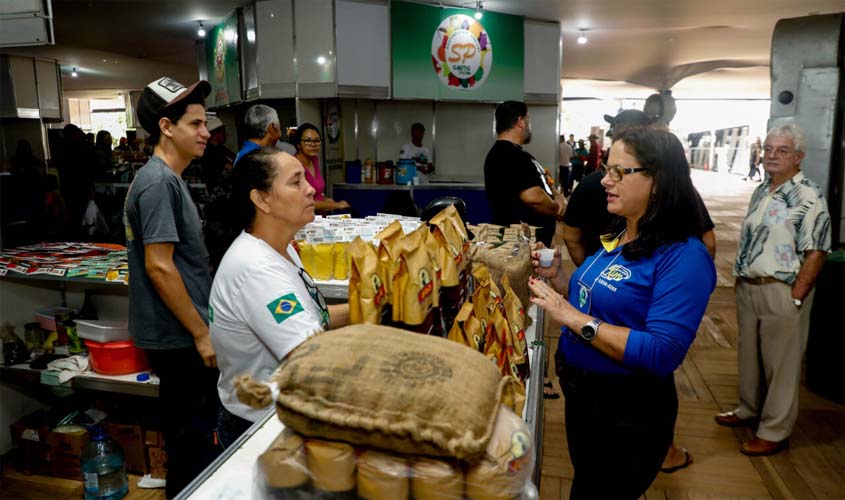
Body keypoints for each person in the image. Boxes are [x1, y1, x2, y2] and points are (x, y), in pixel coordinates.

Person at [529, 127, 716, 498]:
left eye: (619, 172)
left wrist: (571, 317)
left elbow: (662, 352)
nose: (605, 182)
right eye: (605, 169)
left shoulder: (683, 256)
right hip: (586, 396)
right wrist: (561, 279)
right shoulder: (624, 232)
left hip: (627, 411)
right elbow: (600, 302)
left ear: (658, 181)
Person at [208, 148, 351, 447]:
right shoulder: (255, 269)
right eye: (296, 182)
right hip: (260, 427)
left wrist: (374, 305)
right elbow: (310, 358)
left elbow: (315, 320)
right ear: (261, 199)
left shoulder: (280, 249)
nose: (311, 189)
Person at [124, 76, 220, 498]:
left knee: (192, 438)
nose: (205, 133)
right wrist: (201, 333)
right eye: (195, 124)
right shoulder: (159, 183)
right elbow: (159, 267)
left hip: (181, 332)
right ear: (166, 127)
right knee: (191, 443)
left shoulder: (168, 178)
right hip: (177, 337)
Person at [716, 123, 831, 456]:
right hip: (750, 287)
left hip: (783, 289)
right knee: (749, 356)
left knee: (782, 364)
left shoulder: (808, 195)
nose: (772, 155)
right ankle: (749, 409)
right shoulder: (761, 190)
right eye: (768, 149)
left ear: (799, 156)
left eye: (782, 150)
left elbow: (817, 250)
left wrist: (797, 294)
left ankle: (775, 431)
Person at [483, 100, 565, 247]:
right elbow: (534, 198)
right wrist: (556, 209)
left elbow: (545, 183)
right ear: (520, 121)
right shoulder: (506, 154)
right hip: (518, 246)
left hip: (532, 244)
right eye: (528, 119)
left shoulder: (519, 155)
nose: (529, 125)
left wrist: (558, 197)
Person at [293, 123, 350, 213]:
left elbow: (317, 194)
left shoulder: (314, 159)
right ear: (298, 144)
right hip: (304, 218)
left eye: (317, 141)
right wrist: (336, 205)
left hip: (320, 217)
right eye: (308, 141)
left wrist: (327, 200)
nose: (313, 145)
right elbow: (304, 202)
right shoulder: (294, 165)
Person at [199, 115, 236, 190]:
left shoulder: (221, 148)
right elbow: (230, 168)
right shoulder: (211, 152)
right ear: (216, 134)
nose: (226, 135)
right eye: (223, 132)